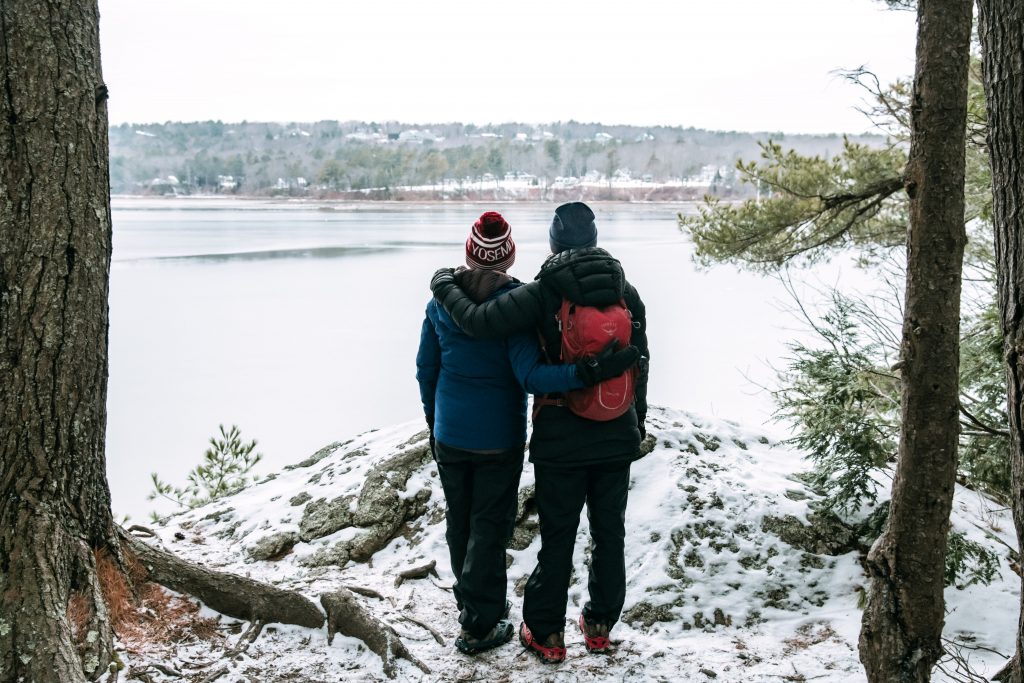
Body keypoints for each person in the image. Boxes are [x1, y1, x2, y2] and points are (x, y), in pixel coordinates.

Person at [429, 201, 650, 663]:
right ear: (592, 241)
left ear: (552, 243)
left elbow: (480, 321)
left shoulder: (542, 292)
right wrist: (636, 423)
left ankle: (546, 633)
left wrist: (443, 283)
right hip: (616, 434)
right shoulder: (626, 292)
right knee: (610, 532)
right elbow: (641, 365)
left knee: (558, 535)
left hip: (561, 438)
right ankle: (600, 625)